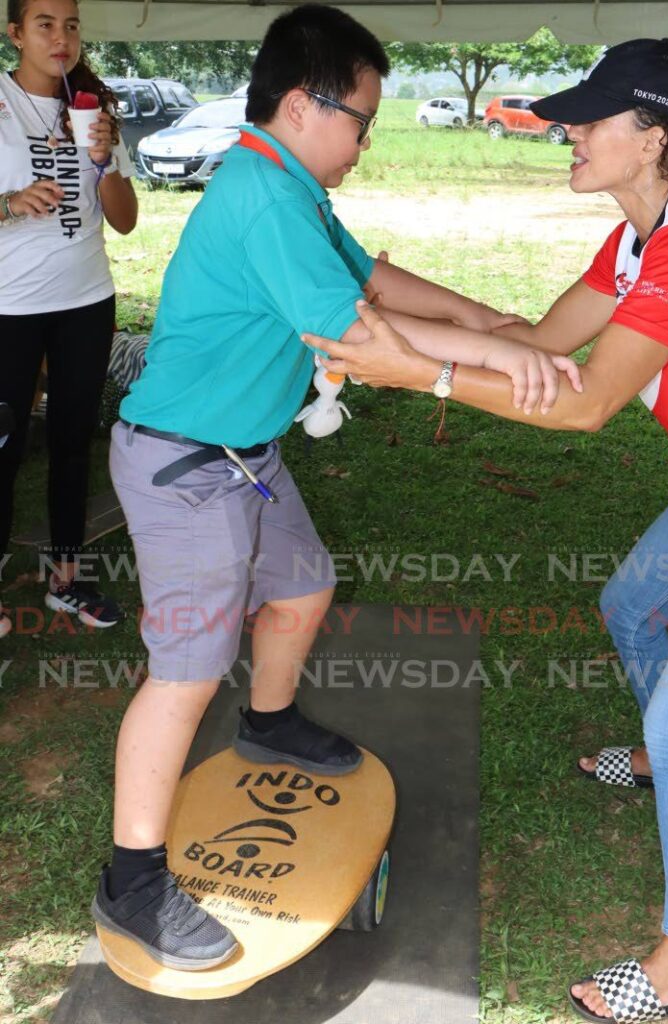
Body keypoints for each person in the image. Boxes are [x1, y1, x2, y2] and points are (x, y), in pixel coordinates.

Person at [307, 38, 668, 1023]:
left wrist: (422, 374)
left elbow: (581, 405)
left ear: (652, 136)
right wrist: (377, 317)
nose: (567, 131)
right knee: (631, 606)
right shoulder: (641, 237)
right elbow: (533, 344)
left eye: (589, 118)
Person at [96, 2, 580, 970]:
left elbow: (376, 283)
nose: (365, 137)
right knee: (183, 673)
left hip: (243, 457)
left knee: (306, 585)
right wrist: (486, 372)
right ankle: (132, 883)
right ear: (299, 104)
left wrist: (498, 326)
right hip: (186, 466)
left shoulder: (289, 189)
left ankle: (269, 723)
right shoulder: (262, 197)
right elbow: (357, 338)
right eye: (359, 117)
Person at [0, 0, 137, 637]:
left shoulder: (91, 108)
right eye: (46, 24)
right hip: (11, 306)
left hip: (86, 299)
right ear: (16, 33)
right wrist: (9, 203)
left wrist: (104, 161)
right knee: (3, 448)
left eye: (72, 25)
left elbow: (125, 218)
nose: (62, 38)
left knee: (72, 443)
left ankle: (65, 580)